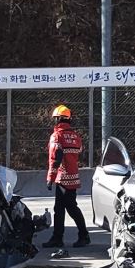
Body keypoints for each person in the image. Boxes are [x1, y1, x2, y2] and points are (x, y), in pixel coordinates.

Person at [44, 105, 91, 249]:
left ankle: (81, 236)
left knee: (67, 208)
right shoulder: (76, 137)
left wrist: (50, 177)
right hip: (73, 177)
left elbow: (55, 158)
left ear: (58, 119)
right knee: (63, 208)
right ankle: (58, 237)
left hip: (62, 178)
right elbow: (79, 153)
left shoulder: (56, 136)